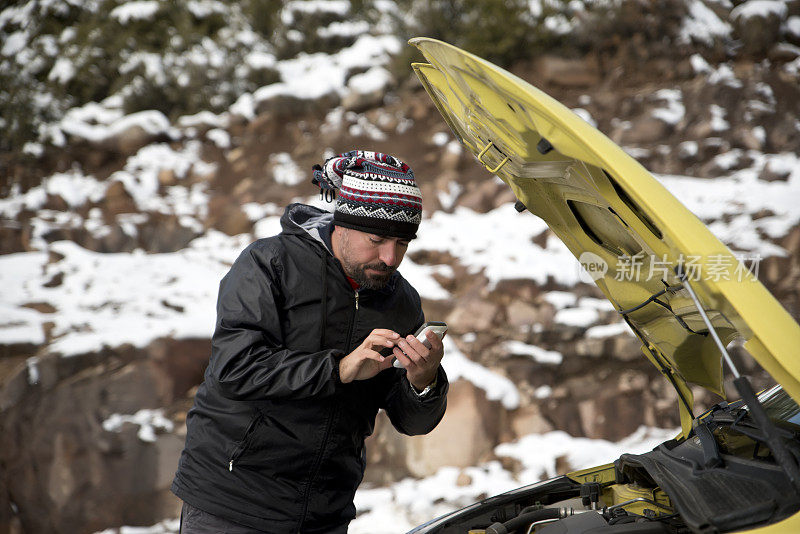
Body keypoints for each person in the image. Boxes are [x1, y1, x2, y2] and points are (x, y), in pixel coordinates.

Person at [171, 150, 449, 533]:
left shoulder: (400, 301)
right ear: (343, 225)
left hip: (324, 514)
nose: (390, 257)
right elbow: (235, 368)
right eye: (379, 239)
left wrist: (423, 382)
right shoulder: (269, 264)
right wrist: (338, 369)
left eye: (403, 243)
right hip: (232, 503)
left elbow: (412, 423)